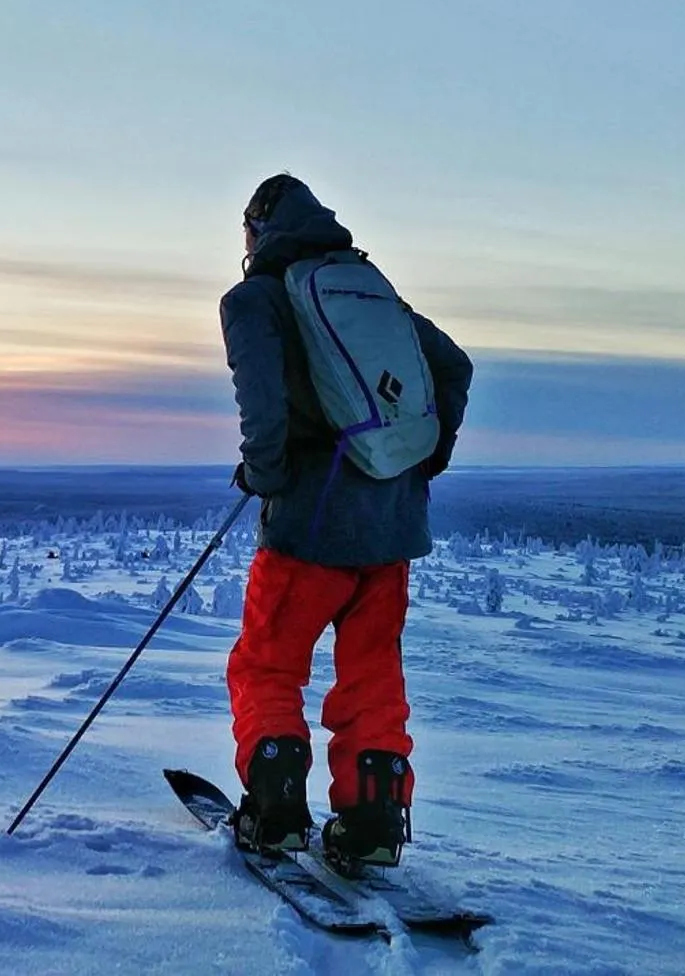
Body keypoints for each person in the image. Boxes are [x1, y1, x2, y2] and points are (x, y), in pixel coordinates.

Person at [220, 173, 473, 874]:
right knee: (371, 679)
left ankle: (274, 814)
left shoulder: (257, 300)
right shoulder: (373, 298)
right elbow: (453, 365)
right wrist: (418, 459)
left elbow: (262, 404)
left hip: (307, 528)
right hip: (390, 533)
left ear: (256, 230)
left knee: (267, 662)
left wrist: (264, 475)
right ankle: (371, 822)